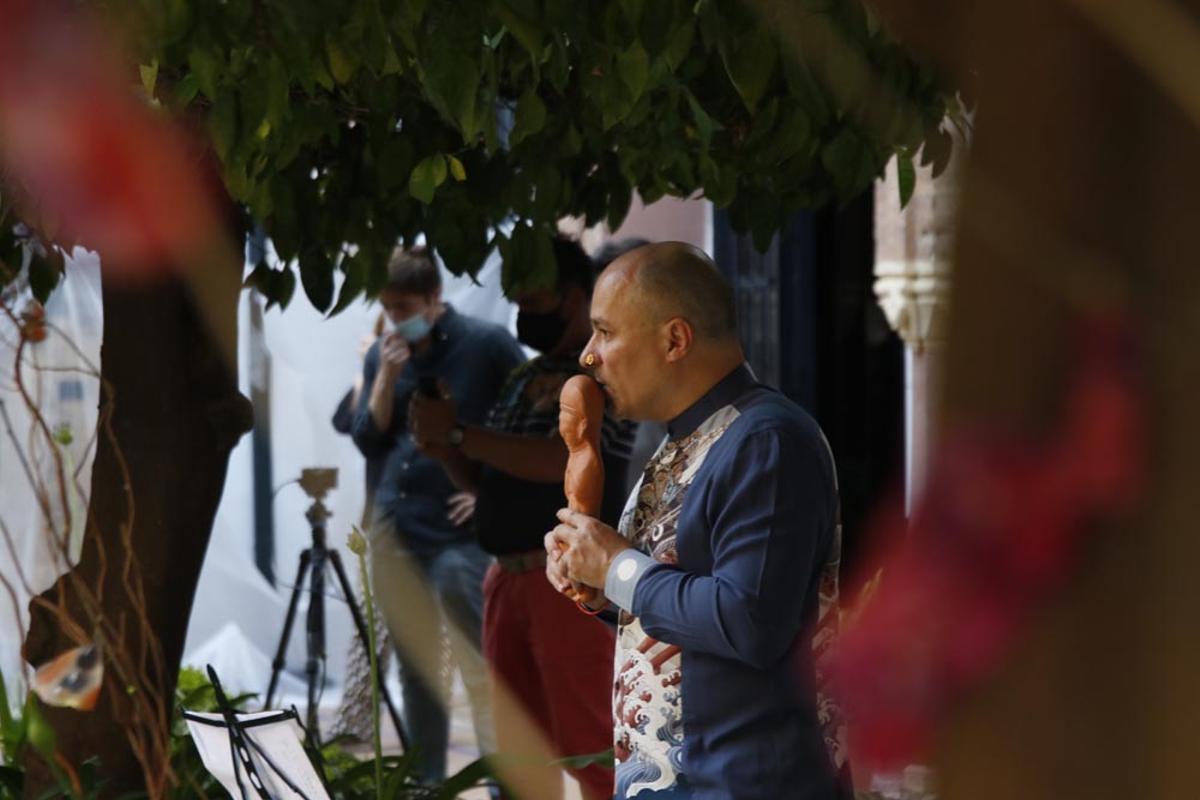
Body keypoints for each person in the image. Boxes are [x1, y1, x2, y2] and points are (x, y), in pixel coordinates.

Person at [546, 242, 842, 799]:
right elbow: (681, 603)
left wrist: (618, 568)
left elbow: (750, 621)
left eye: (604, 332)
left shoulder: (766, 441)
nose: (587, 356)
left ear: (675, 340)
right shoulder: (688, 438)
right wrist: (601, 586)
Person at [409, 237, 635, 799]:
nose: (523, 316)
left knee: (591, 747)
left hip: (567, 580)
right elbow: (486, 480)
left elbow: (563, 461)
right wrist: (445, 446)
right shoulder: (522, 376)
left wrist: (460, 434)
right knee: (516, 754)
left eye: (534, 303)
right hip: (506, 577)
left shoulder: (605, 378)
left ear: (575, 298)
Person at [350, 246, 525, 783]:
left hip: (459, 533)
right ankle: (427, 786)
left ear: (434, 297)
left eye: (403, 307)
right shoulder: (384, 354)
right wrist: (385, 376)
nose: (394, 317)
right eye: (386, 306)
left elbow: (529, 425)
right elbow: (368, 437)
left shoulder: (486, 345)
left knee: (482, 667)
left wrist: (489, 494)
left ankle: (502, 785)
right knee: (416, 669)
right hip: (395, 527)